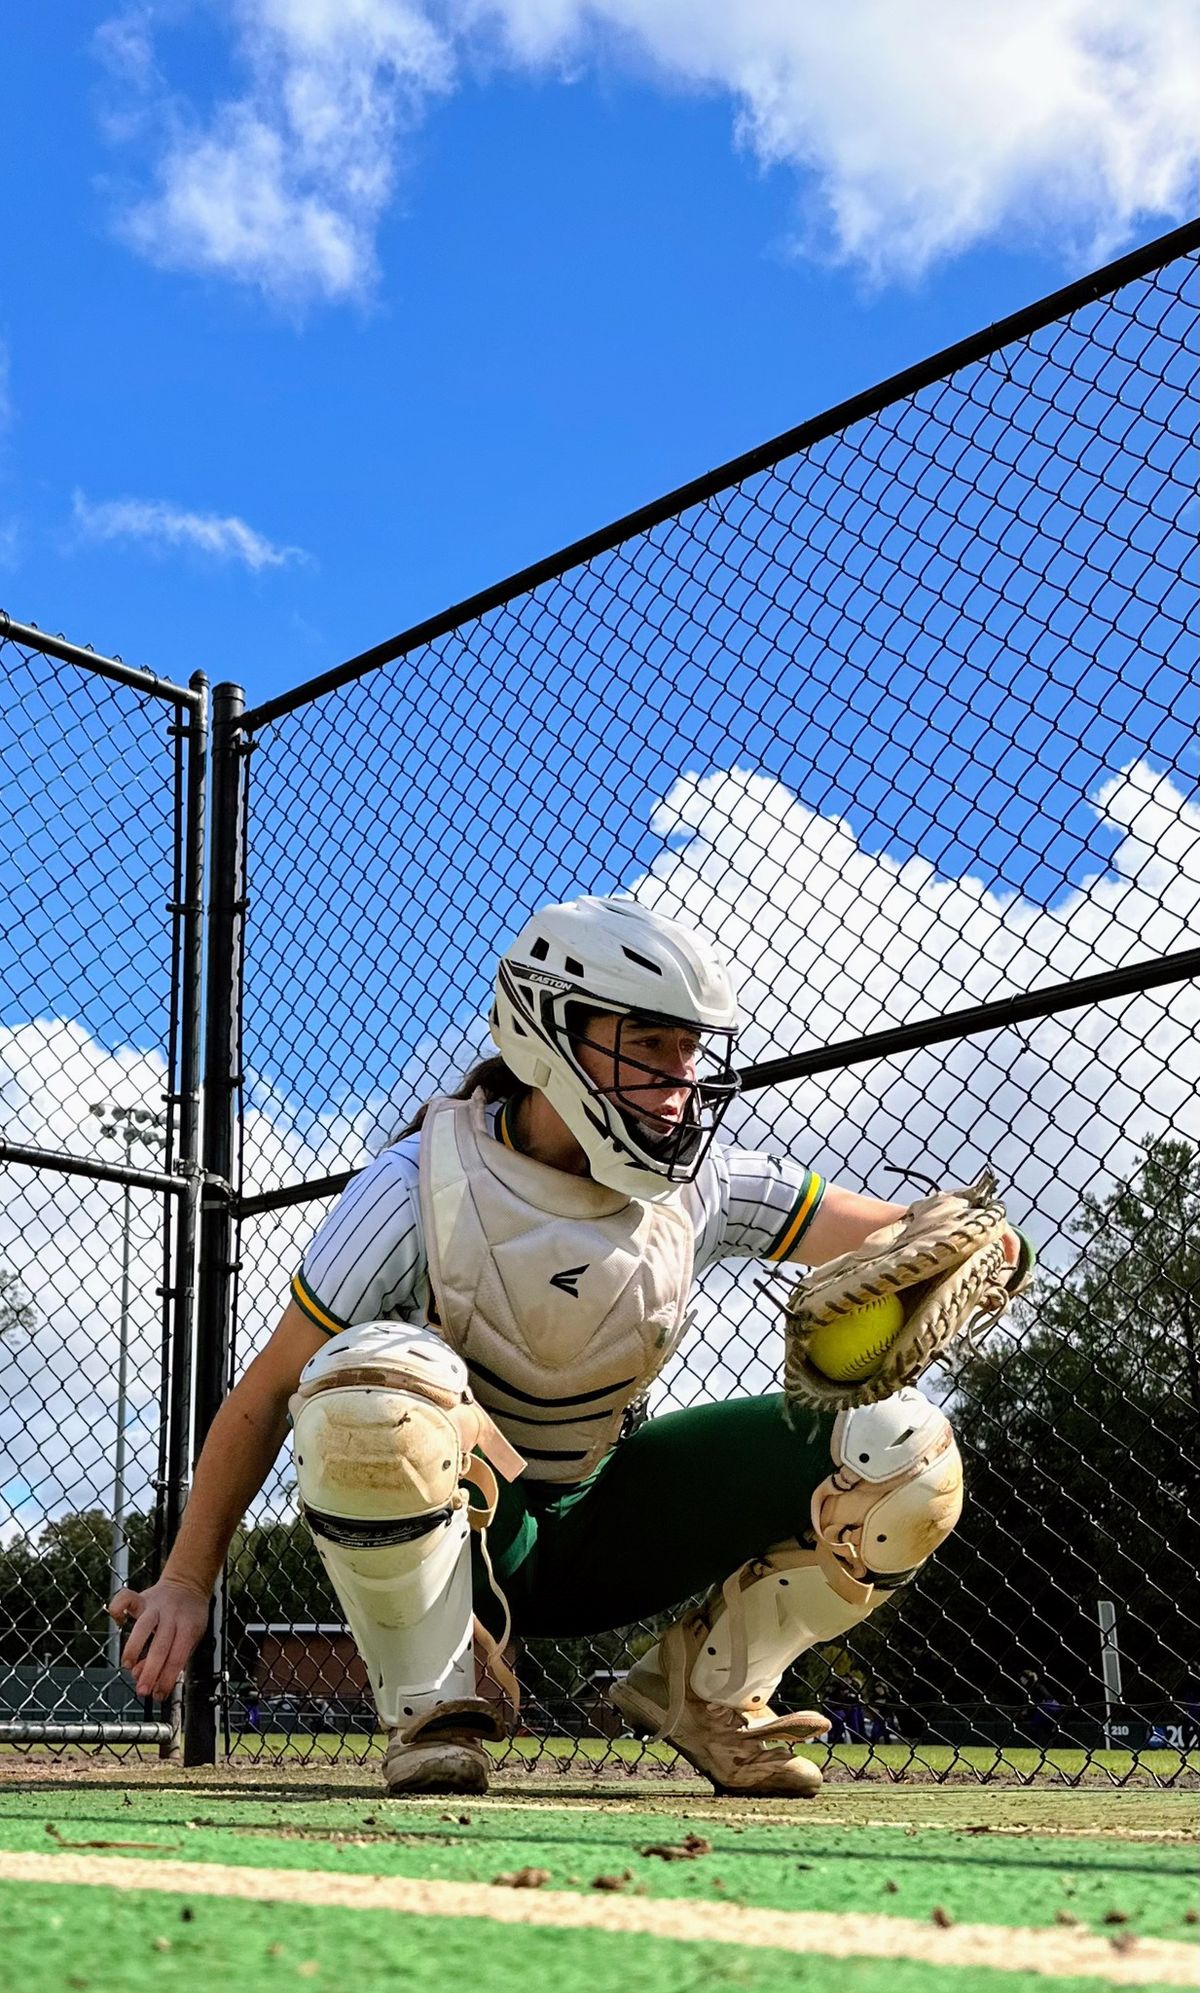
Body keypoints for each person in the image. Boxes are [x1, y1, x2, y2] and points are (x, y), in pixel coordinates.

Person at [111, 896, 1022, 1798]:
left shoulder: (701, 1184)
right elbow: (271, 1387)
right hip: (472, 1537)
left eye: (693, 1048)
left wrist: (978, 1242)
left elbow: (890, 1234)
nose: (682, 1076)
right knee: (366, 1376)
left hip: (606, 1526)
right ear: (547, 1036)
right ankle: (435, 1698)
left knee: (908, 1451)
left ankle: (708, 1693)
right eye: (650, 1043)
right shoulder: (411, 1187)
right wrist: (186, 1579)